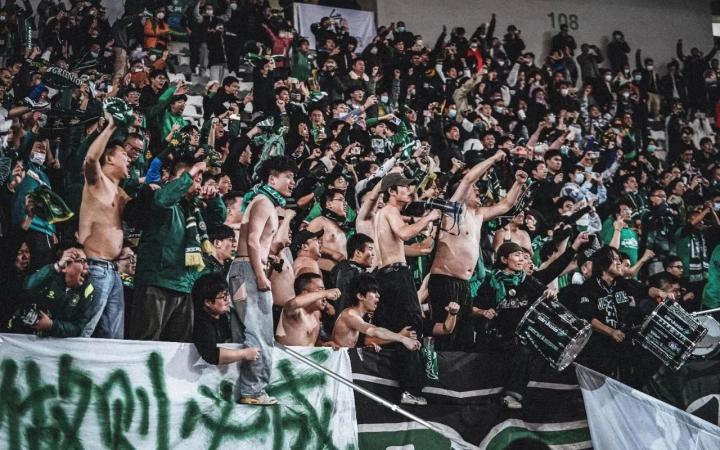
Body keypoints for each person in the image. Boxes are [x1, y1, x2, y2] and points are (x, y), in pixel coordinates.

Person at [429, 151, 528, 350]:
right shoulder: (454, 210)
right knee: (446, 334)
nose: (479, 192)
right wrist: (494, 158)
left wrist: (518, 184)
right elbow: (468, 179)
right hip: (445, 280)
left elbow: (506, 205)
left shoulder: (478, 215)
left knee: (465, 336)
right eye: (475, 190)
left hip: (464, 284)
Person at [228, 155, 296, 406]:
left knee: (245, 331)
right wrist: (259, 275)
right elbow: (252, 241)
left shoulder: (263, 201)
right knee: (259, 332)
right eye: (288, 177)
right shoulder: (264, 202)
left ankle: (243, 388)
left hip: (244, 269)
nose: (293, 182)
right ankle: (253, 390)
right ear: (272, 179)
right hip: (248, 270)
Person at [372, 172, 441, 405]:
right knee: (411, 326)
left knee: (398, 330)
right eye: (404, 187)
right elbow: (404, 233)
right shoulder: (391, 210)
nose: (409, 191)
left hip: (384, 276)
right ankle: (411, 389)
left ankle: (401, 386)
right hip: (397, 275)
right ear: (392, 191)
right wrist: (429, 217)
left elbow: (407, 239)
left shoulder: (382, 214)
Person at [78, 115, 129, 339]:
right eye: (124, 155)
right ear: (109, 158)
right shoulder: (97, 182)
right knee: (84, 330)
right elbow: (90, 159)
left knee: (114, 338)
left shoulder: (121, 193)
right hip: (95, 268)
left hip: (113, 271)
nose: (129, 160)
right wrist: (111, 126)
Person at [8, 242, 94, 338]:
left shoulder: (87, 288)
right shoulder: (46, 276)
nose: (87, 267)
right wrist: (57, 267)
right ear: (65, 265)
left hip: (58, 343)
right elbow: (28, 288)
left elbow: (78, 327)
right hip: (21, 337)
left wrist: (51, 325)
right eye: (82, 261)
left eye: (87, 262)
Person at [332, 272, 421, 356]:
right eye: (374, 291)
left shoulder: (356, 315)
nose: (378, 295)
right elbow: (374, 331)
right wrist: (403, 339)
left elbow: (347, 346)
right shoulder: (350, 315)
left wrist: (365, 348)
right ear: (360, 296)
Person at [192, 272, 260, 365]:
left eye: (228, 294)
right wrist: (244, 354)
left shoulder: (226, 315)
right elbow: (211, 355)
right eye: (223, 296)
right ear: (207, 302)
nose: (228, 299)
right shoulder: (200, 323)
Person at [275, 272, 340, 346]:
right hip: (286, 353)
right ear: (305, 293)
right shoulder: (294, 310)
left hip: (307, 353)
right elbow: (294, 303)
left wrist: (323, 345)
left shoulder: (316, 314)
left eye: (324, 290)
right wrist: (324, 293)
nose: (324, 296)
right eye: (320, 290)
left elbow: (311, 343)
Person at [330, 233, 374, 315]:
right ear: (358, 252)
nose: (373, 254)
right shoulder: (351, 271)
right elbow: (343, 303)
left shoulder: (345, 267)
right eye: (370, 249)